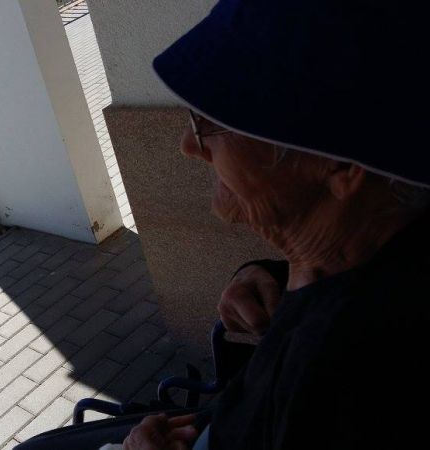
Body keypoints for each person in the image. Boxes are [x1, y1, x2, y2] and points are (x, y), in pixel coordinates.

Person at [122, 0, 430, 449]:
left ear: (341, 165)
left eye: (214, 121)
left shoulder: (346, 373)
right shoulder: (372, 259)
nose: (190, 144)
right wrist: (276, 278)